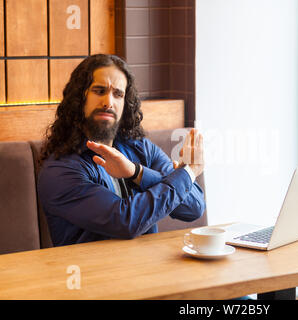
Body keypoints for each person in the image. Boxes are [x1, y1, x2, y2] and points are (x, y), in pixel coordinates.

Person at [38, 54, 206, 246]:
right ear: (79, 99)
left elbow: (194, 207)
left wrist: (138, 172)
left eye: (118, 94)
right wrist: (189, 172)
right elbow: (126, 221)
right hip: (90, 274)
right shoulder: (60, 170)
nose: (108, 102)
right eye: (99, 91)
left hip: (146, 270)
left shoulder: (142, 149)